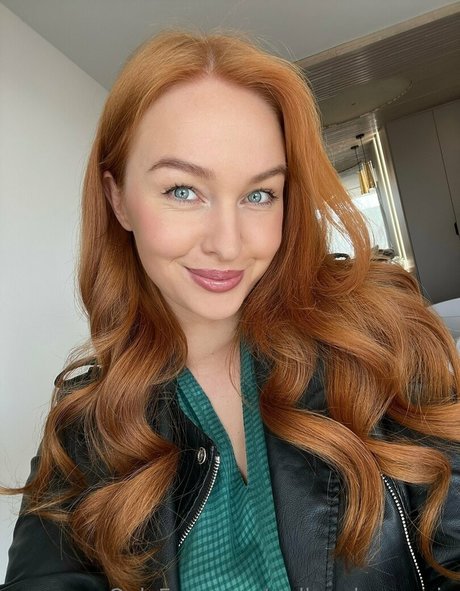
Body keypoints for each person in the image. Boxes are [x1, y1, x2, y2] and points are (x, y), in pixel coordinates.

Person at [1, 29, 459, 591]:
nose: (227, 243)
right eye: (183, 190)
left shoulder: (383, 337)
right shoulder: (85, 431)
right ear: (118, 198)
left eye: (259, 194)